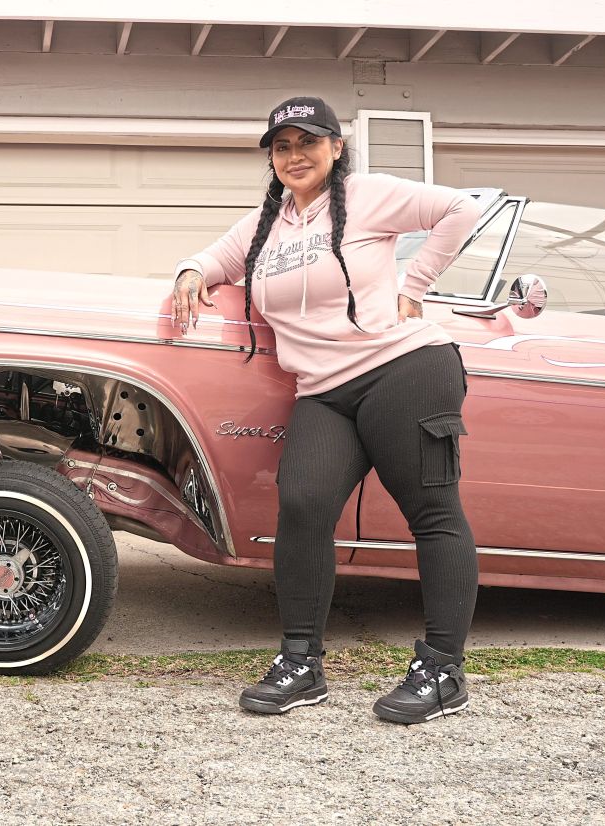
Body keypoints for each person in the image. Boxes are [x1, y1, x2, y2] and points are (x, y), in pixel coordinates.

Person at [172, 96, 482, 725]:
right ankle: (301, 662)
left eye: (307, 143)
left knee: (431, 511)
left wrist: (413, 287)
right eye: (281, 147)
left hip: (403, 369)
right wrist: (188, 273)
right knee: (304, 503)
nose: (294, 156)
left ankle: (443, 671)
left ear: (336, 148)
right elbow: (214, 259)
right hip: (323, 390)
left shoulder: (366, 195)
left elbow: (460, 208)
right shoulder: (267, 223)